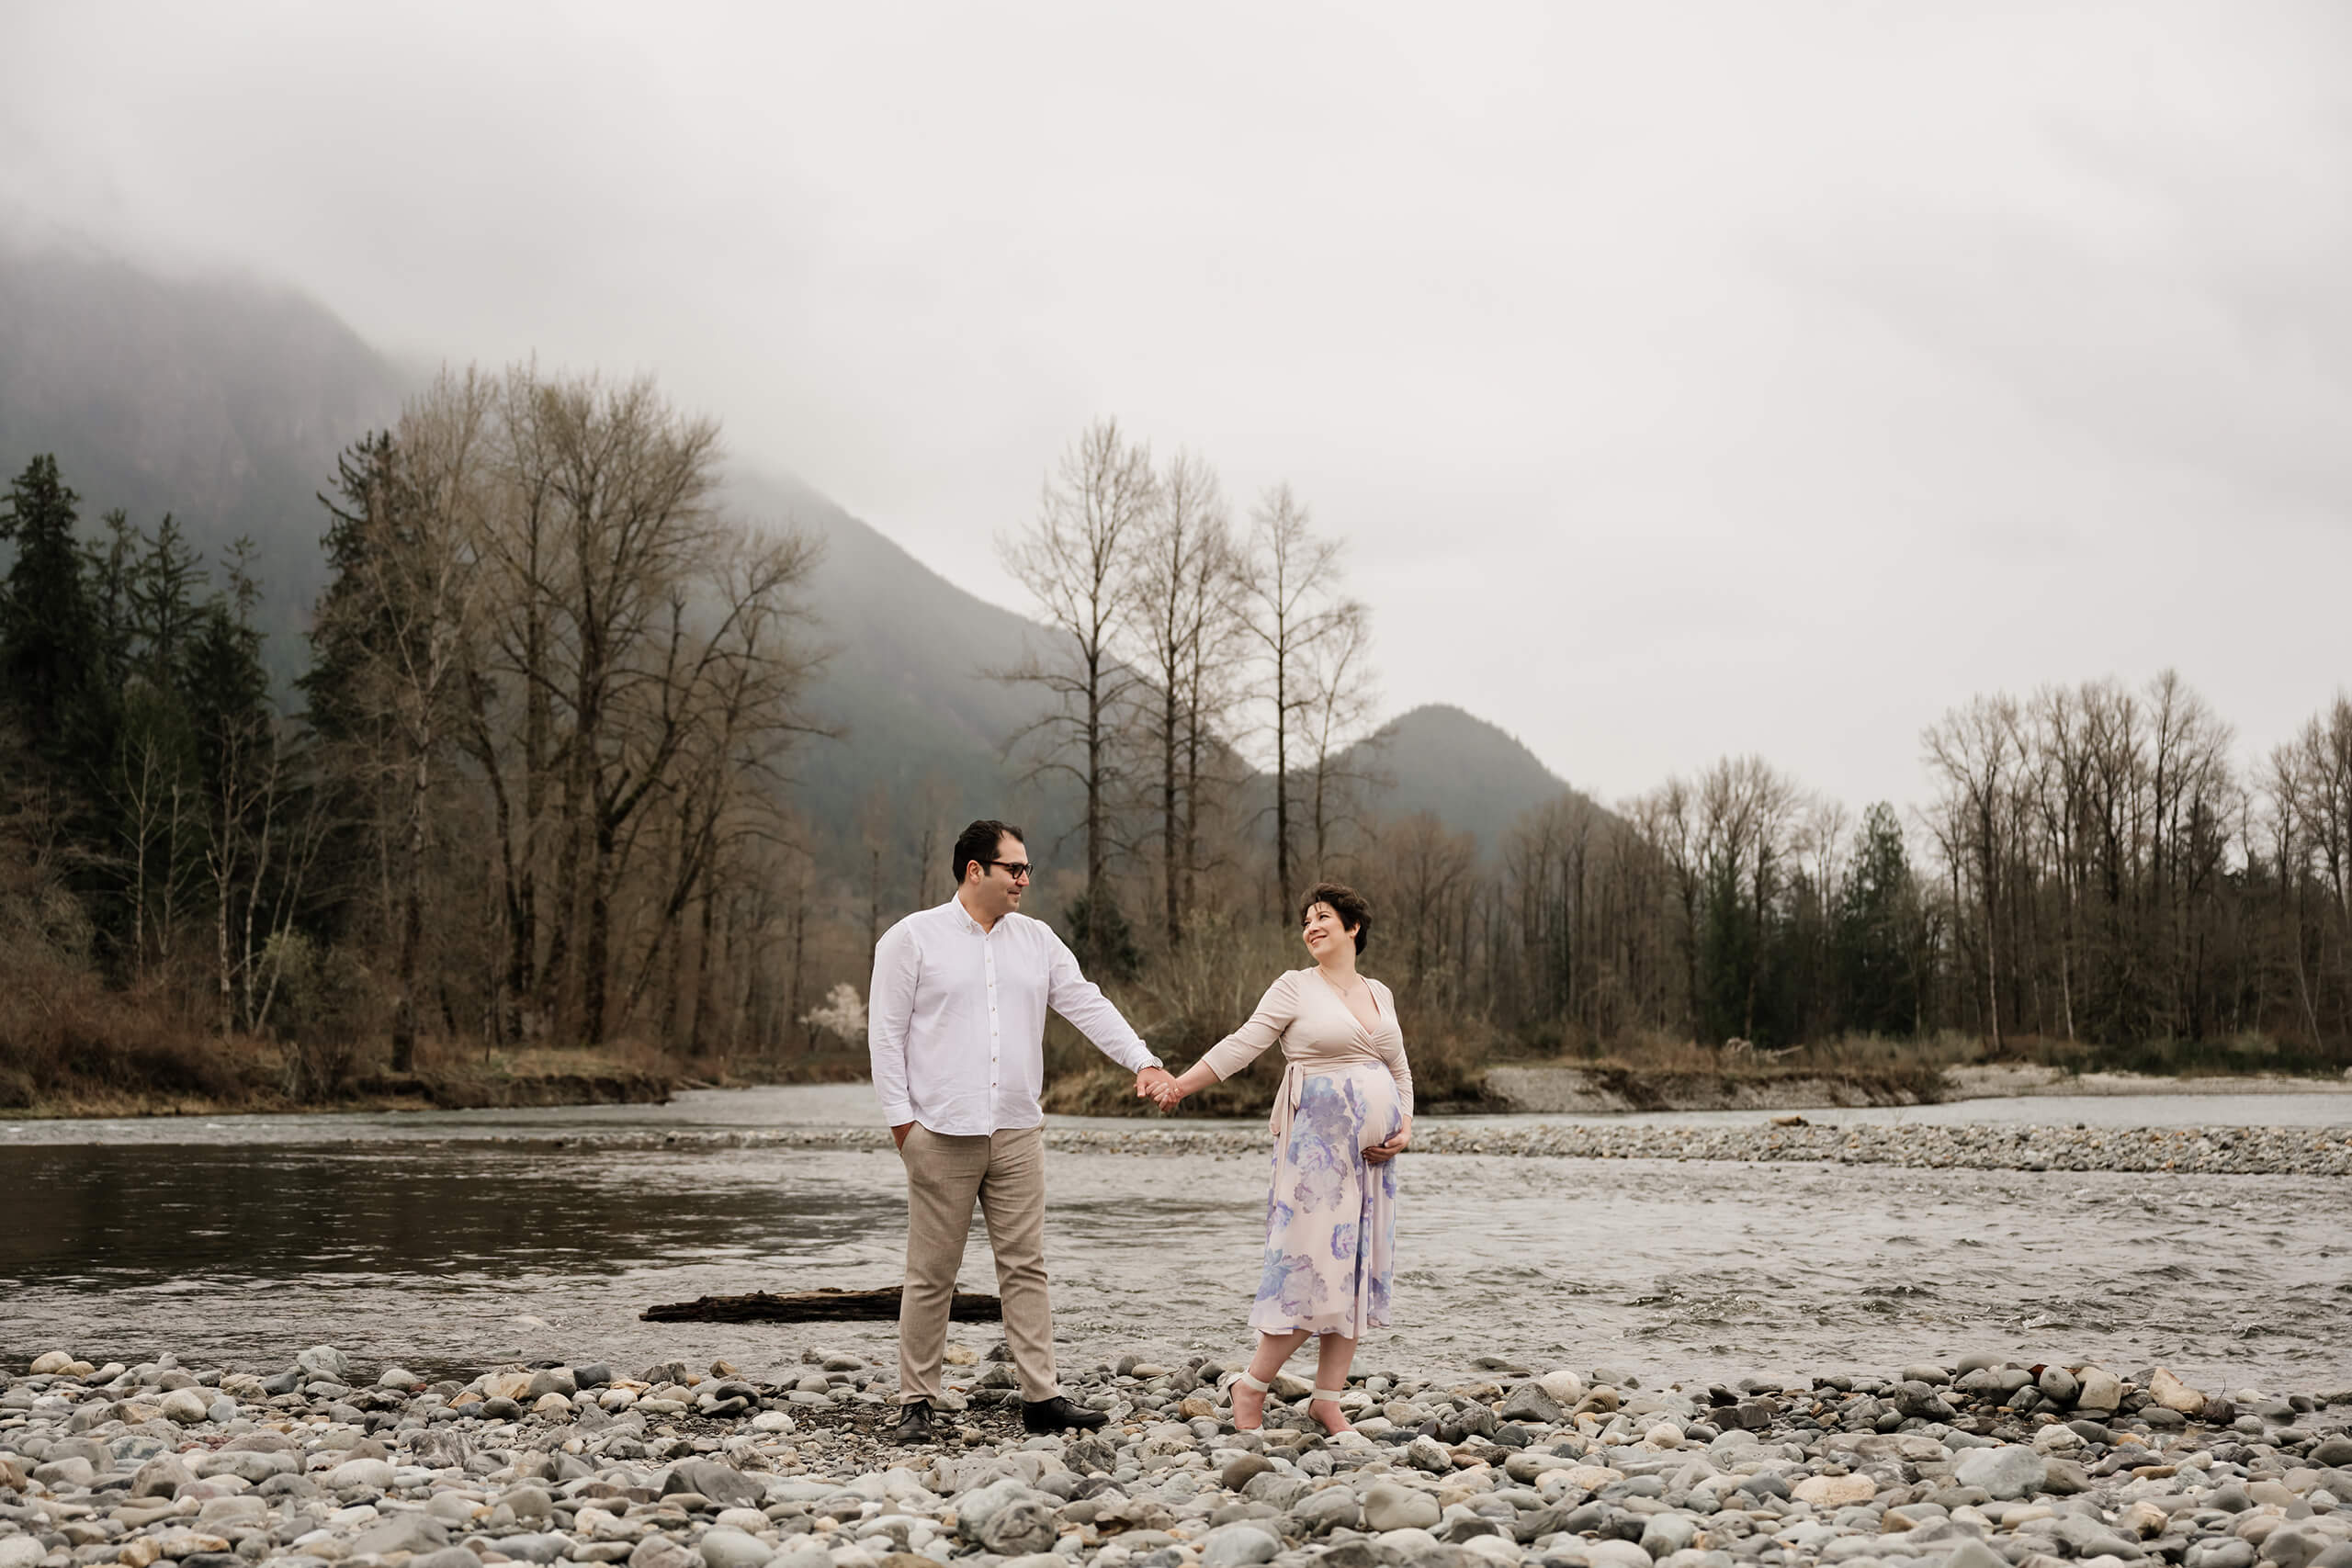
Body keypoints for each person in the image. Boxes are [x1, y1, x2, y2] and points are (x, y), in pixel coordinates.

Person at [869, 818, 1179, 1444]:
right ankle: (917, 1402)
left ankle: (1041, 1397)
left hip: (1017, 1132)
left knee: (1026, 1267)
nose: (1026, 879)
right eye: (1015, 868)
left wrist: (1142, 1059)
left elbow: (1087, 1002)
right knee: (932, 1274)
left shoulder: (1037, 940)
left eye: (1028, 868)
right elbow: (885, 1036)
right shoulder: (912, 939)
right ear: (975, 869)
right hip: (940, 1133)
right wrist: (905, 1127)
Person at [1148, 881, 1410, 1435]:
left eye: (1322, 918)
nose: (1311, 927)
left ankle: (1326, 1399)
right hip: (1318, 1154)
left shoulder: (1379, 993)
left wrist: (1405, 1124)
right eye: (1306, 921)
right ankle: (1253, 1385)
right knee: (1309, 1267)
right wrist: (1180, 1086)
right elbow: (1242, 1045)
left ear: (1353, 927)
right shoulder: (1294, 987)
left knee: (1354, 1270)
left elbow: (1399, 1070)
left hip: (1373, 1160)